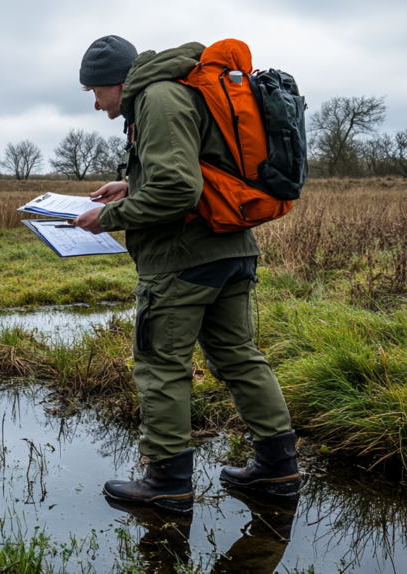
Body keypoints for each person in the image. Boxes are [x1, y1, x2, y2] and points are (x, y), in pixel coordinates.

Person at [69, 36, 300, 509]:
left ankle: (166, 481)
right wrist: (130, 184)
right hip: (231, 249)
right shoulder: (182, 86)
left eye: (94, 90)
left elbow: (177, 188)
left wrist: (107, 219)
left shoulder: (155, 97)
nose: (95, 103)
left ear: (115, 81)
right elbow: (201, 164)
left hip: (183, 259)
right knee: (238, 356)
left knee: (161, 365)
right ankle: (278, 469)